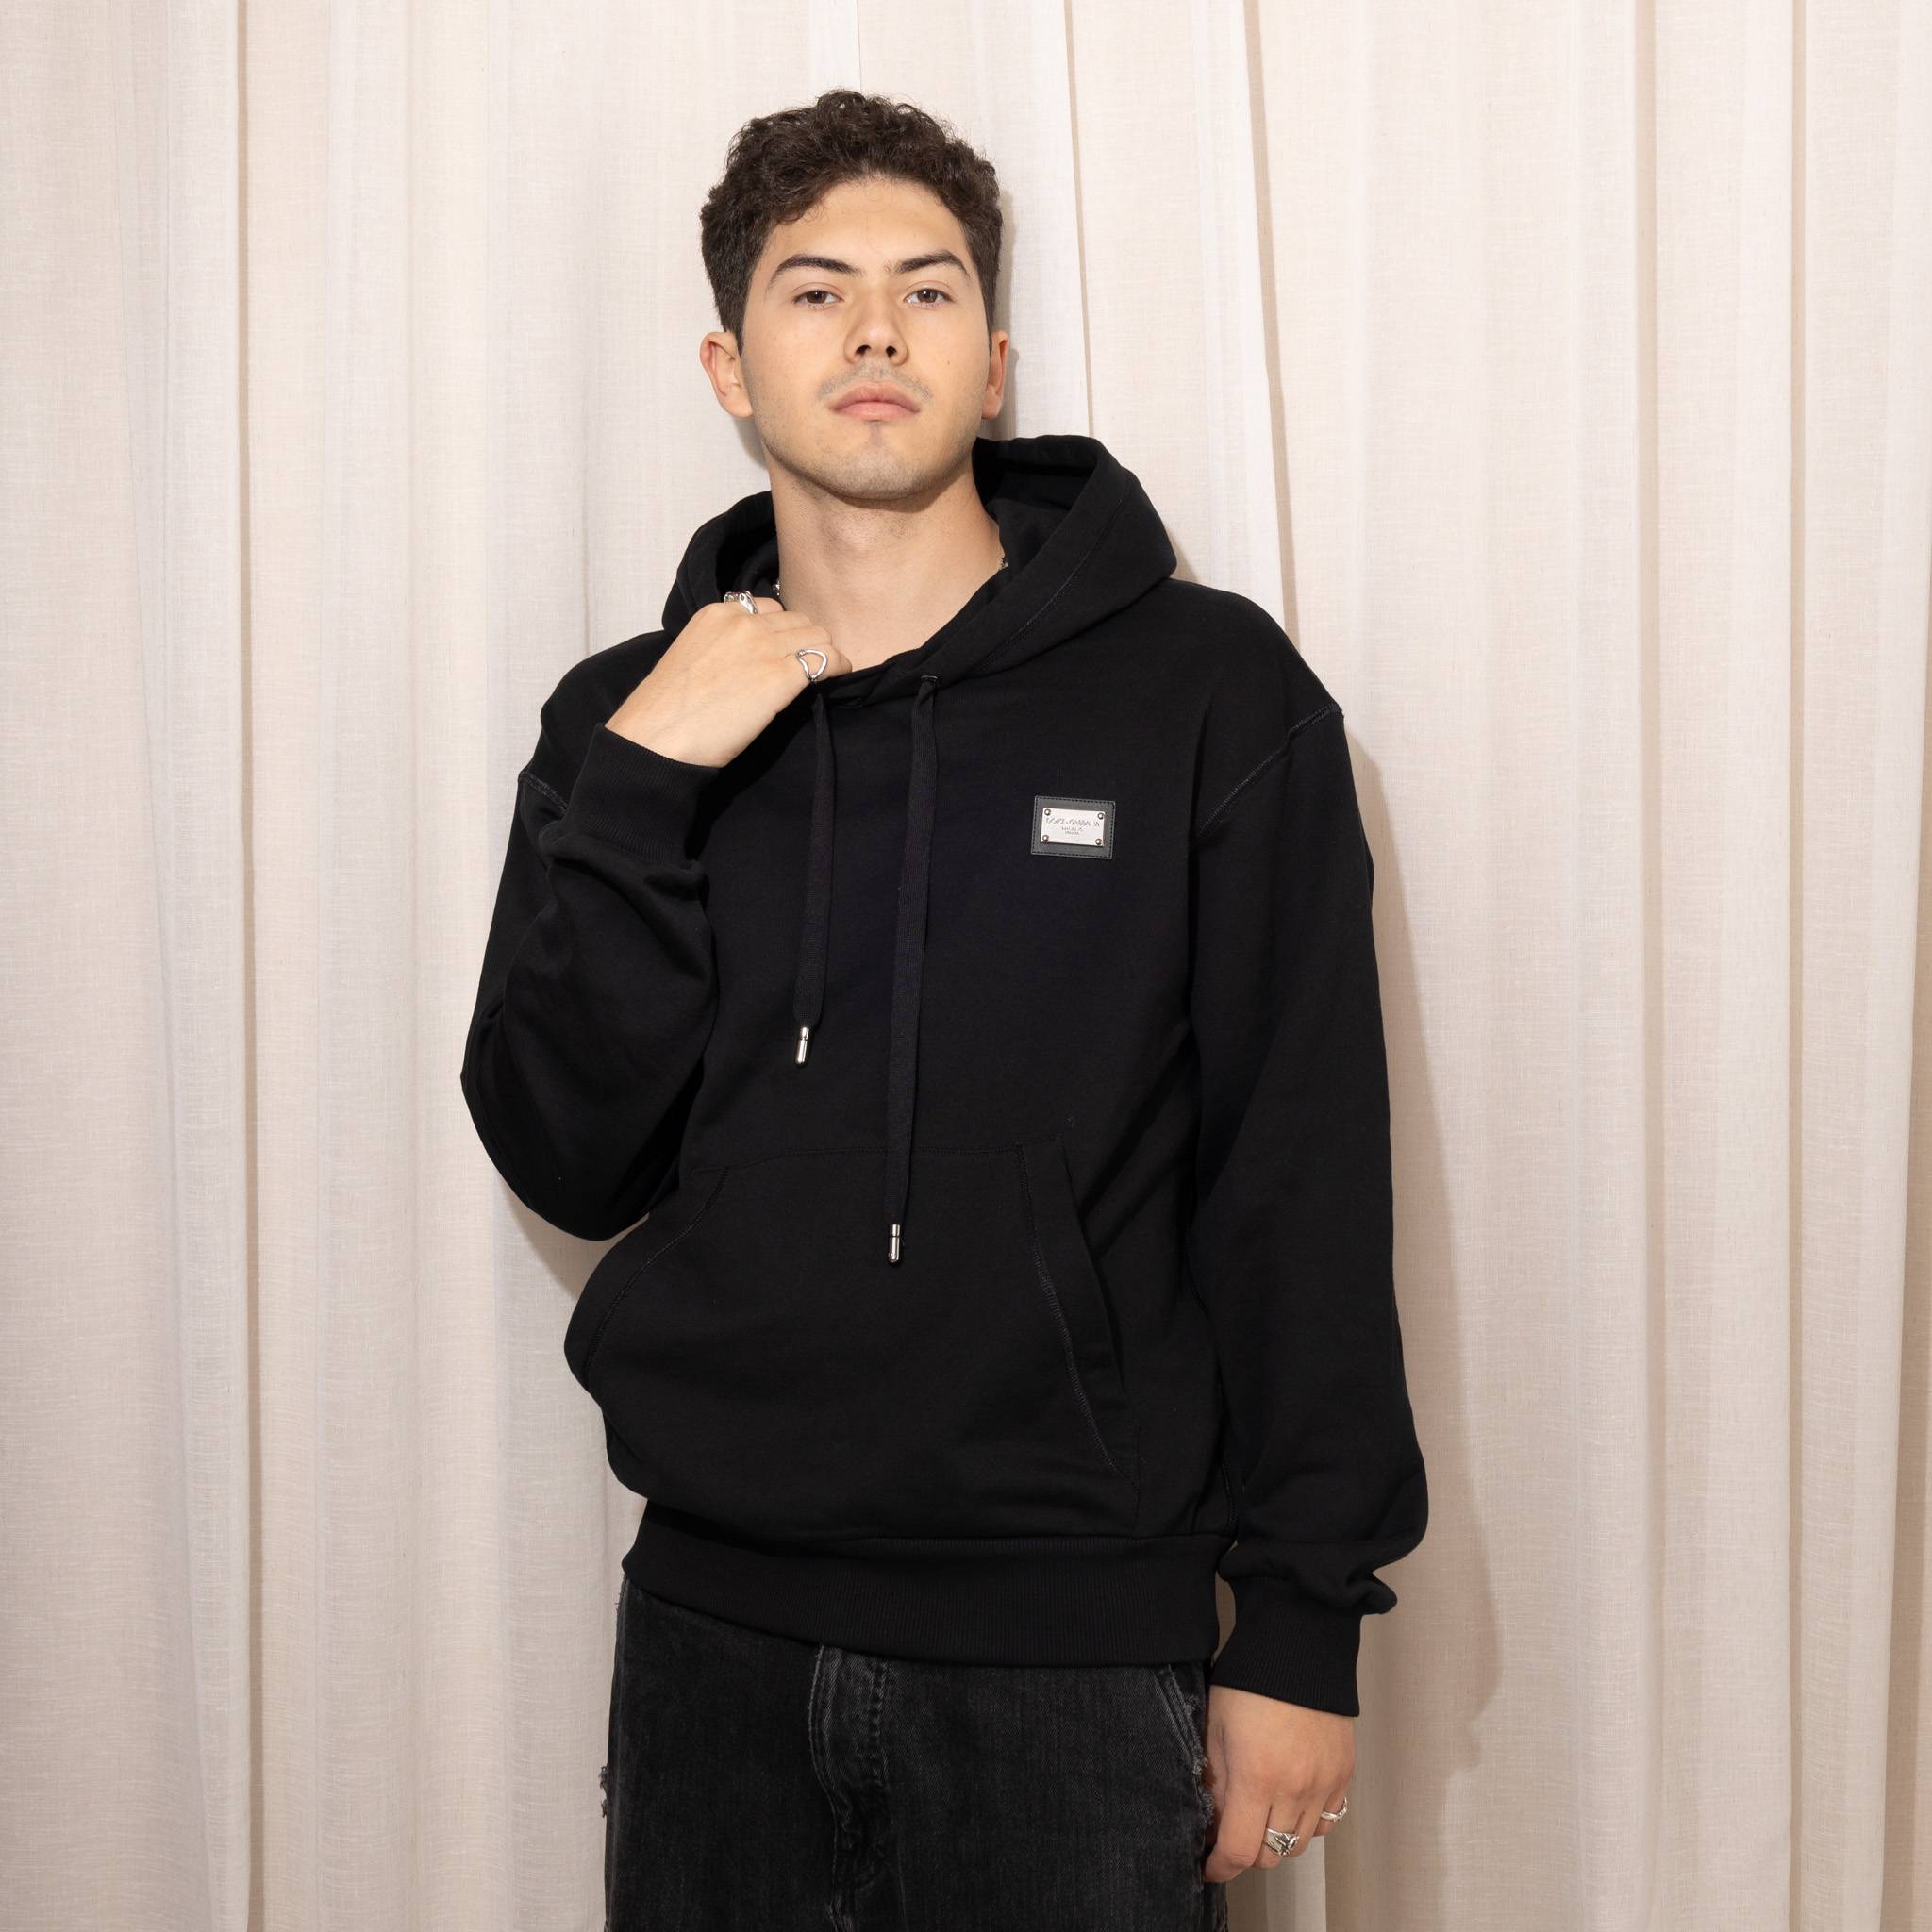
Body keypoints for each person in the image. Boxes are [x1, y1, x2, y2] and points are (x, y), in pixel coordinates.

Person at [460, 86, 1428, 1932]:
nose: (876, 330)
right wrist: (647, 785)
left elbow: (1298, 1166)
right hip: (711, 1637)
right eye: (814, 291)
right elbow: (566, 1152)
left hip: (1077, 1658)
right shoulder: (623, 718)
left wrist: (1304, 1621)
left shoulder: (1206, 693)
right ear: (729, 367)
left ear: (991, 367)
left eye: (926, 288)